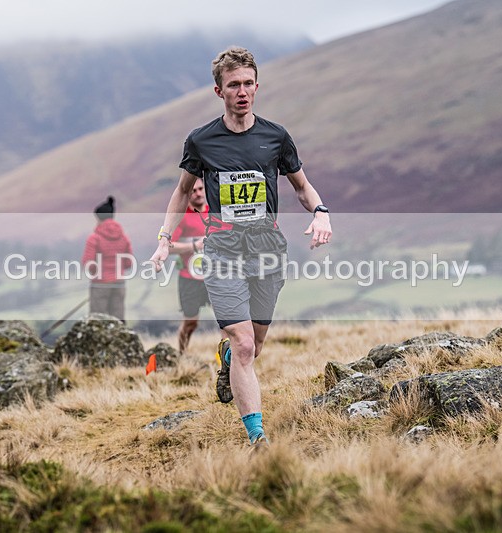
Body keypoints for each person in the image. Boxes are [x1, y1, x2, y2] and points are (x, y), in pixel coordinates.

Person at [149, 46, 332, 448]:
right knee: (245, 340)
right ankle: (257, 439)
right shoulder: (201, 141)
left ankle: (229, 361)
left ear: (257, 86)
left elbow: (301, 185)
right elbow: (181, 193)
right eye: (234, 85)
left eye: (249, 84)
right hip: (223, 248)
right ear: (220, 91)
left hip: (266, 246)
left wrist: (320, 211)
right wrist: (164, 240)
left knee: (256, 343)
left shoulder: (275, 136)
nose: (243, 91)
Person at [169, 177, 213, 354]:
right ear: (187, 194)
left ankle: (227, 359)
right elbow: (169, 246)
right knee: (190, 323)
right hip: (189, 278)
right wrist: (194, 246)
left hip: (214, 276)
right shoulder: (183, 217)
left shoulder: (214, 213)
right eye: (193, 191)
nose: (198, 193)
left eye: (201, 189)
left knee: (227, 321)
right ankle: (181, 354)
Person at [82, 196, 134, 321]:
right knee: (118, 320)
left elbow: (88, 263)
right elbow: (128, 262)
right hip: (119, 283)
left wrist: (97, 274)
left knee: (97, 321)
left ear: (99, 218)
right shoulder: (124, 237)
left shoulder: (94, 238)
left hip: (100, 284)